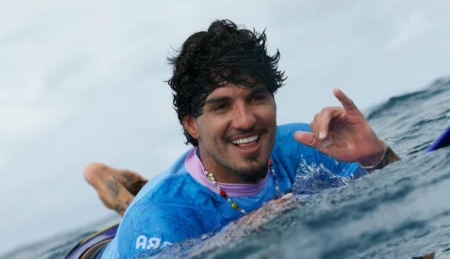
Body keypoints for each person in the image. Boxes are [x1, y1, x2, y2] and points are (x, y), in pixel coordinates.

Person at [83, 19, 403, 259]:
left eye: (256, 97)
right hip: (97, 251)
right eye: (221, 105)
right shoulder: (156, 218)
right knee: (143, 211)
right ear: (192, 124)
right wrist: (232, 241)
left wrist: (377, 157)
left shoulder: (308, 146)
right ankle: (108, 183)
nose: (245, 120)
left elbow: (413, 237)